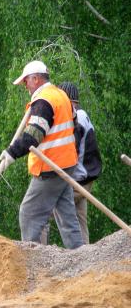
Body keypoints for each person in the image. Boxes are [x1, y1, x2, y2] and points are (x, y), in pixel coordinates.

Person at [0, 60, 84, 249]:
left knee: (29, 213)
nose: (25, 86)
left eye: (26, 82)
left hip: (51, 167)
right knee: (66, 215)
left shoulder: (44, 101)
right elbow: (76, 129)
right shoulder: (60, 95)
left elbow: (33, 135)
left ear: (36, 79)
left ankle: (31, 261)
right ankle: (80, 255)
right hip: (66, 164)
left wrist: (11, 153)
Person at [56, 82, 102, 244]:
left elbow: (69, 150)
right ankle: (85, 253)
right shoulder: (82, 115)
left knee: (49, 204)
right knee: (79, 215)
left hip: (79, 176)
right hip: (86, 176)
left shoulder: (76, 118)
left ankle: (37, 247)